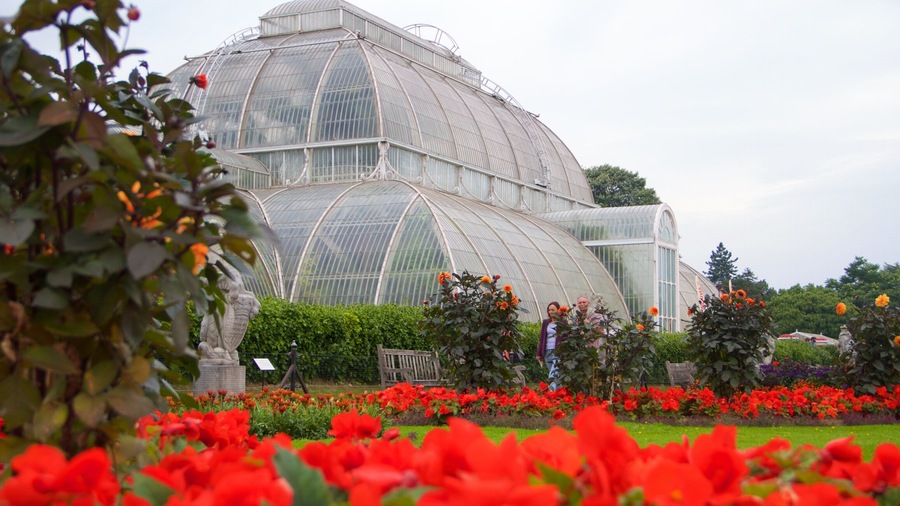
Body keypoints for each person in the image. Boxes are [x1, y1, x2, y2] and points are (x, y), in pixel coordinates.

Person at [537, 301, 562, 391]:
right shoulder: (546, 322)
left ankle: (550, 389)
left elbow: (565, 337)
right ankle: (557, 393)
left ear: (558, 310)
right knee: (554, 374)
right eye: (549, 310)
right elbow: (542, 338)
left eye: (553, 310)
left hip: (557, 351)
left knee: (554, 373)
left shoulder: (563, 322)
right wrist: (539, 353)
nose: (551, 312)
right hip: (547, 351)